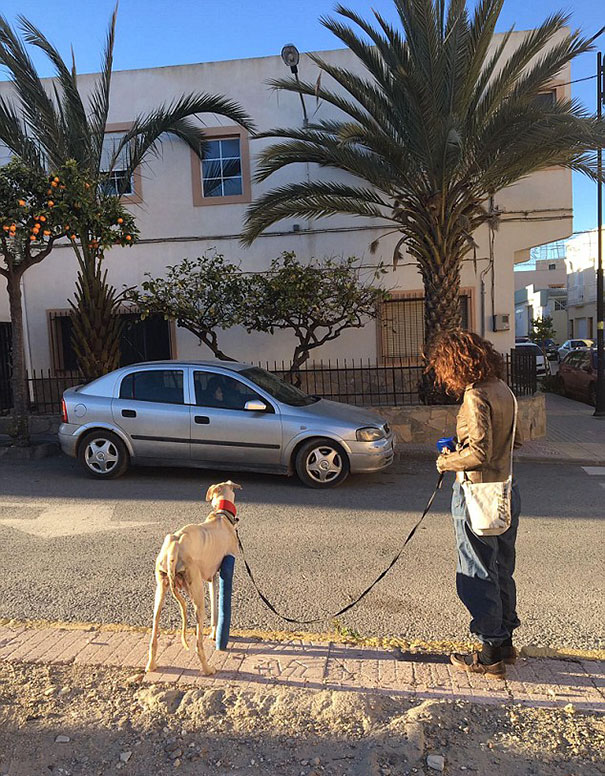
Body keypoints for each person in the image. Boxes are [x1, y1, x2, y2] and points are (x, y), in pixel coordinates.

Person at [428, 330, 522, 678]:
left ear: (454, 363)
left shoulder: (476, 395)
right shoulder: (504, 390)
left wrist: (447, 460)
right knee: (500, 567)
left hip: (477, 493)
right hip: (507, 490)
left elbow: (479, 452)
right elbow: (516, 440)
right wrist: (462, 442)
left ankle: (488, 653)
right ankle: (505, 644)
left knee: (475, 570)